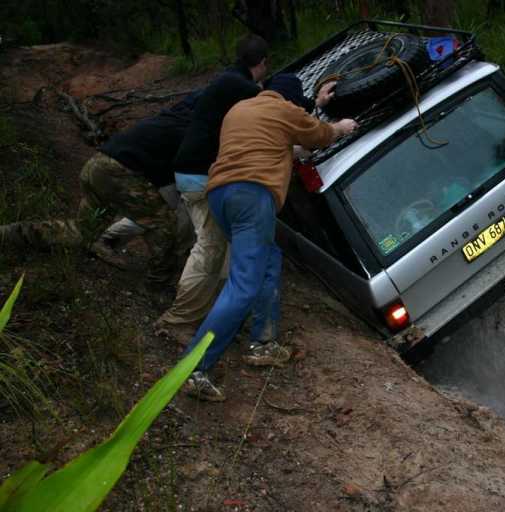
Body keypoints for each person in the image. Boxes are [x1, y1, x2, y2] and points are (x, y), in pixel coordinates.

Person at [182, 74, 358, 401]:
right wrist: (341, 128)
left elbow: (269, 148)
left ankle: (262, 342)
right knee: (243, 285)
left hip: (220, 194)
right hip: (252, 195)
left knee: (268, 259)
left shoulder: (240, 110)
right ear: (290, 98)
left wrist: (294, 151)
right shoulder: (284, 109)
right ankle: (195, 367)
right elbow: (319, 135)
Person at [153, 34, 337, 343]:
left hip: (195, 172)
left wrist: (312, 105)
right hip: (204, 175)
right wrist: (317, 109)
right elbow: (281, 109)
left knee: (226, 251)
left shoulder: (229, 81)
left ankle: (221, 319)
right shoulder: (245, 90)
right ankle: (179, 321)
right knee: (211, 247)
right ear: (263, 63)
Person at [0, 92, 200, 284]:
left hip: (98, 164)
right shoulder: (193, 132)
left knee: (81, 231)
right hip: (120, 171)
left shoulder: (177, 116)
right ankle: (158, 284)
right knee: (165, 226)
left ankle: (9, 234)